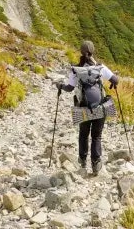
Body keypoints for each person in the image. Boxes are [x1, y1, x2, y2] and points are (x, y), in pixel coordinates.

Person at [55, 40, 118, 175]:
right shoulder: (101, 67)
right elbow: (115, 79)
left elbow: (70, 88)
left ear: (81, 52)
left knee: (83, 134)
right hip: (100, 107)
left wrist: (60, 86)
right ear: (93, 51)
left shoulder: (76, 69)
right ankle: (96, 164)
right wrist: (113, 84)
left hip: (83, 108)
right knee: (97, 135)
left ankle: (82, 162)